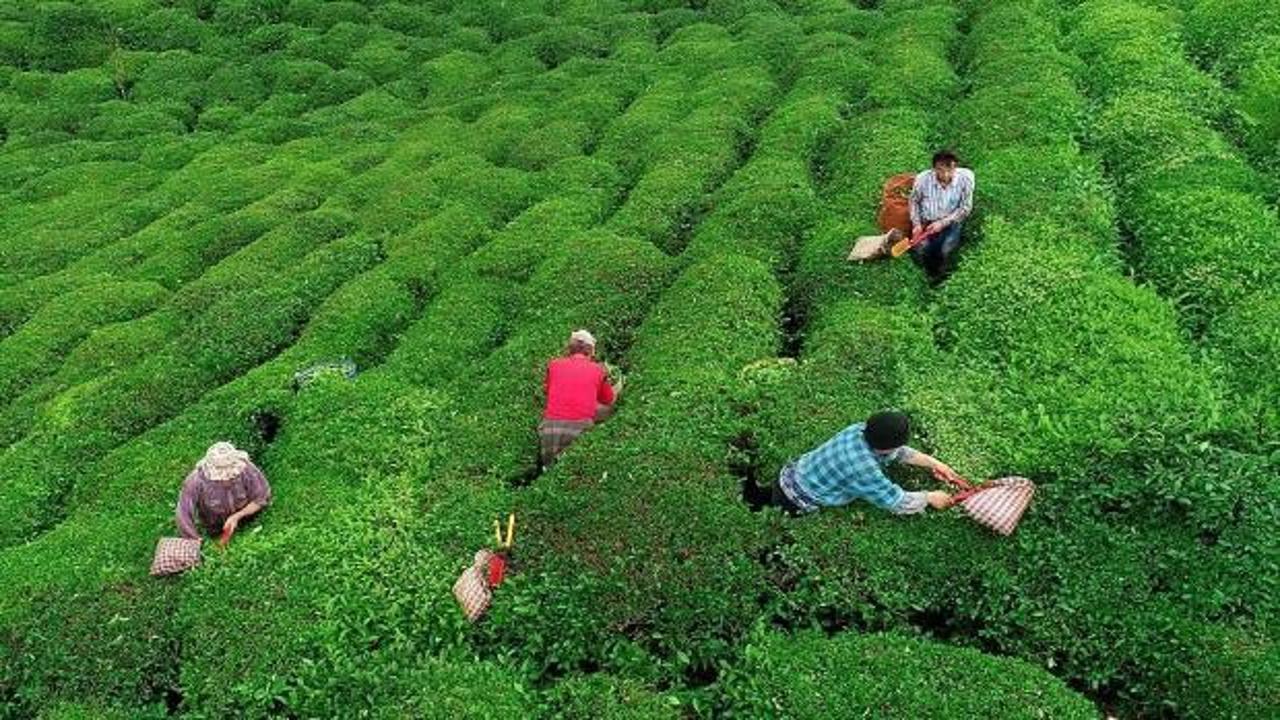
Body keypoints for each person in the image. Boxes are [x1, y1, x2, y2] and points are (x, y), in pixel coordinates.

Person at [769, 411, 958, 516]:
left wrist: (936, 464)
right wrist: (930, 497)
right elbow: (896, 501)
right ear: (889, 447)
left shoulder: (858, 429)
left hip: (788, 474)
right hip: (795, 499)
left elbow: (899, 452)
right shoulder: (863, 470)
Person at [538, 329, 618, 468]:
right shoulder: (598, 369)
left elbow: (547, 390)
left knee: (551, 472)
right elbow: (608, 400)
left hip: (550, 431)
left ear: (569, 349)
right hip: (580, 429)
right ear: (591, 351)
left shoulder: (554, 364)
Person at [176, 442, 272, 542]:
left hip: (248, 520)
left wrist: (237, 516)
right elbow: (184, 513)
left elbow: (262, 497)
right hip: (214, 527)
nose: (227, 479)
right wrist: (194, 539)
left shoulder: (246, 469)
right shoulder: (196, 480)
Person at [909, 150, 975, 280]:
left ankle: (941, 275)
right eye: (940, 170)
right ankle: (924, 276)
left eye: (950, 169)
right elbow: (914, 201)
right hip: (926, 220)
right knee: (922, 248)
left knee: (945, 249)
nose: (945, 174)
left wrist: (942, 223)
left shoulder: (965, 180)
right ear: (934, 169)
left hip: (951, 222)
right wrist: (916, 224)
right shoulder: (922, 180)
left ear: (955, 167)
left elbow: (965, 208)